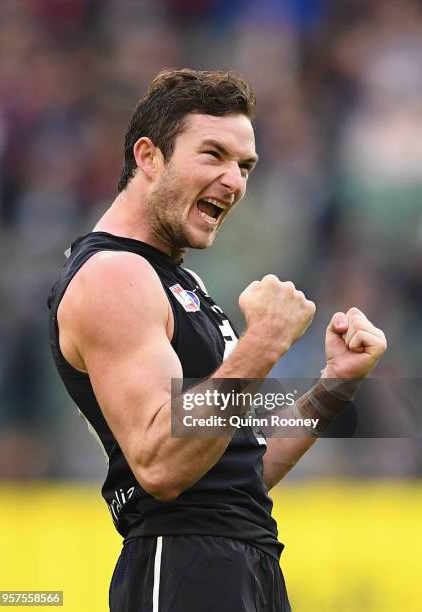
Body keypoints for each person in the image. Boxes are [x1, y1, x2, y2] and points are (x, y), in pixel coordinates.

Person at [48, 68, 387, 612]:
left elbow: (239, 470)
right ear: (149, 157)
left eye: (245, 165)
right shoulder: (113, 275)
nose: (235, 182)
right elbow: (161, 466)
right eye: (213, 155)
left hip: (244, 558)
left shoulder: (176, 280)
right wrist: (265, 342)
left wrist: (333, 388)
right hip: (181, 562)